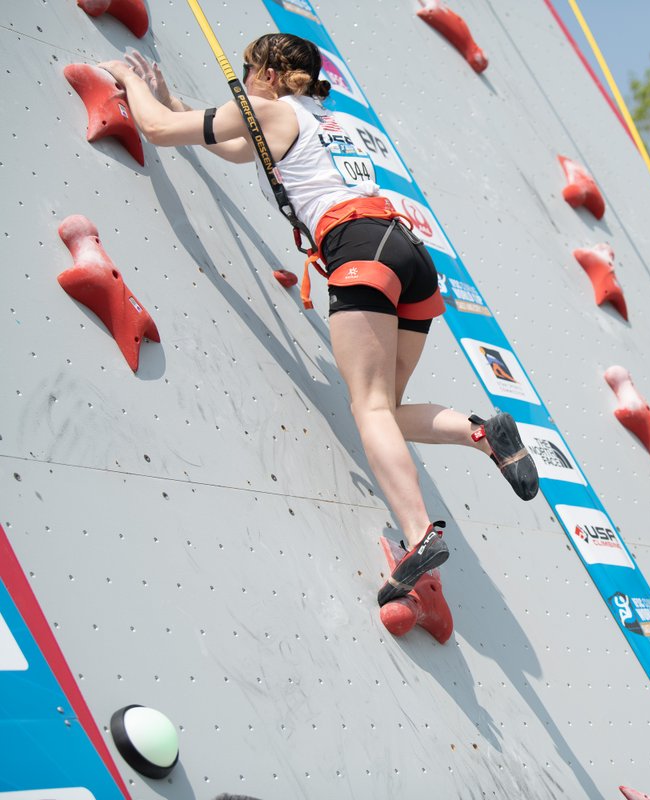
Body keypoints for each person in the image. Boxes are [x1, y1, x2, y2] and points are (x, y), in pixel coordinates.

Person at [100, 35, 539, 608]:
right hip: (406, 253)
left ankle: (418, 537)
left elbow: (158, 131)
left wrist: (127, 80)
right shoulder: (326, 119)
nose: (248, 80)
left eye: (252, 69)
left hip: (355, 246)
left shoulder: (269, 109)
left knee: (370, 410)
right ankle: (481, 432)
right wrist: (174, 98)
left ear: (270, 74)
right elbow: (236, 148)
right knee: (391, 410)